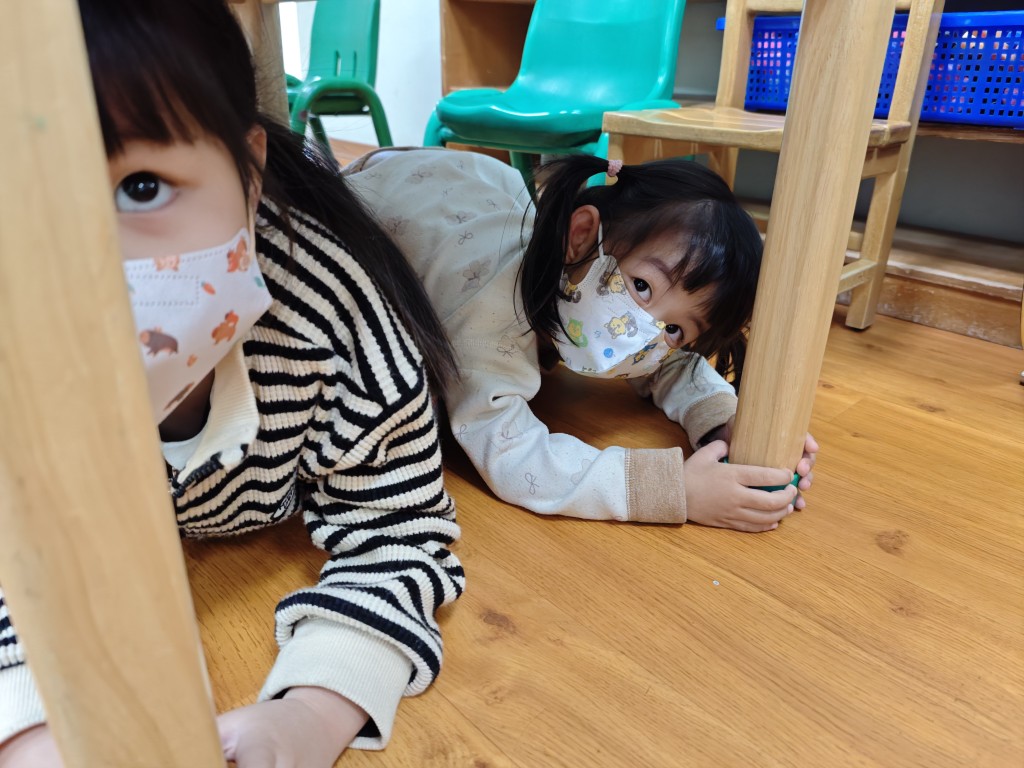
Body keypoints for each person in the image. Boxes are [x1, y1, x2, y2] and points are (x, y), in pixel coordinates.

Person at [0, 1, 464, 765]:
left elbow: (400, 530)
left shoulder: (331, 326)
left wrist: (308, 715)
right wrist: (30, 733)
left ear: (249, 175)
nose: (86, 270)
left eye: (140, 187)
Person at [343, 148, 818, 531]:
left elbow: (669, 364)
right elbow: (511, 454)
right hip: (389, 194)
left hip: (472, 193)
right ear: (582, 235)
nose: (642, 332)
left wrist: (725, 421)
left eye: (675, 328)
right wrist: (675, 490)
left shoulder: (637, 322)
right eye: (642, 287)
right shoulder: (491, 312)